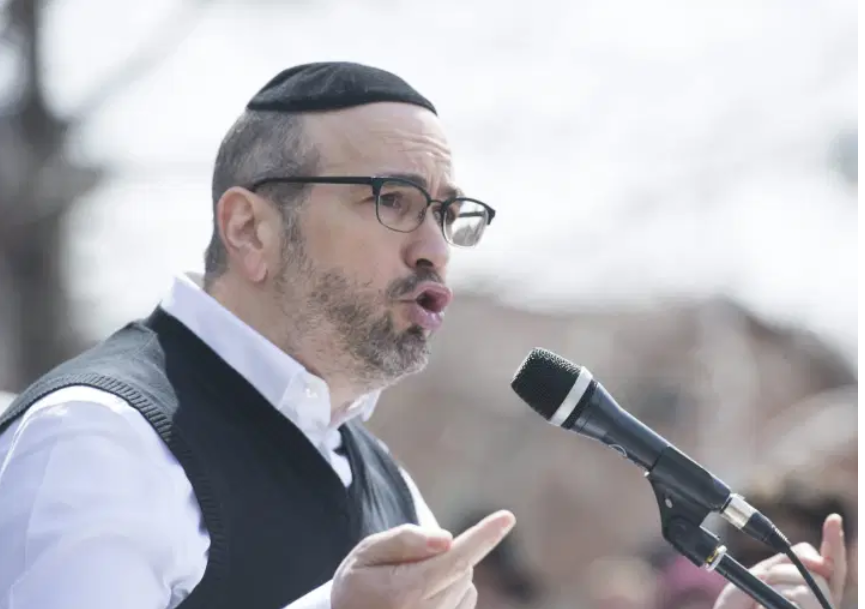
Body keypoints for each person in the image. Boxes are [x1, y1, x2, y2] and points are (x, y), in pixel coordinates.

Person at [0, 62, 848, 609]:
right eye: (393, 201)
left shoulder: (381, 478)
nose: (434, 247)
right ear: (251, 228)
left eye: (447, 213)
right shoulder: (98, 438)